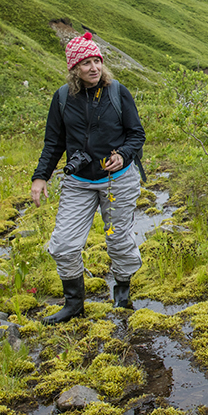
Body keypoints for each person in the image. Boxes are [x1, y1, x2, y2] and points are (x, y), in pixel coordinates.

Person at [32, 32, 146, 324]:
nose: (94, 68)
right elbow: (53, 142)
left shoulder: (118, 92)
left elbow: (137, 134)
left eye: (97, 61)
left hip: (118, 180)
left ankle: (122, 295)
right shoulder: (62, 98)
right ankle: (74, 304)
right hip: (78, 181)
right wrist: (40, 177)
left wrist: (123, 154)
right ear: (74, 69)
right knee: (63, 245)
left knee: (118, 240)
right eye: (86, 63)